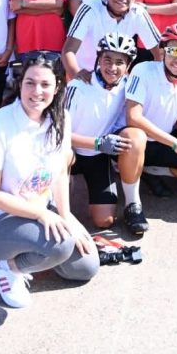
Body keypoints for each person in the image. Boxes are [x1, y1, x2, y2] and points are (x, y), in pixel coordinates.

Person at [0, 53, 98, 309]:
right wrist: (41, 214)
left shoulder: (61, 118)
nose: (37, 91)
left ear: (57, 87)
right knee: (60, 246)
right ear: (20, 84)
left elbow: (60, 172)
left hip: (36, 210)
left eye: (45, 84)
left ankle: (34, 250)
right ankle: (8, 268)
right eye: (30, 83)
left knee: (85, 267)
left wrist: (66, 217)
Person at [113, 24, 177, 233]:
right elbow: (133, 117)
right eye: (173, 50)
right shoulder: (143, 70)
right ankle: (132, 204)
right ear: (162, 51)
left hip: (162, 142)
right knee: (136, 137)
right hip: (130, 141)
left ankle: (150, 170)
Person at [66, 34, 136, 230]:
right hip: (70, 151)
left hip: (98, 156)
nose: (112, 67)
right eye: (107, 60)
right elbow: (59, 134)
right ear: (98, 59)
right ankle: (56, 203)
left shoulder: (128, 87)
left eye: (119, 62)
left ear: (128, 66)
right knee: (63, 156)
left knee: (104, 221)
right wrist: (97, 143)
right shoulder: (78, 86)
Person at [63, 0, 162, 81]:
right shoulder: (89, 9)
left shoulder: (138, 13)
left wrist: (158, 80)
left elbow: (160, 52)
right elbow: (68, 50)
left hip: (115, 75)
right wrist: (77, 75)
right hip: (85, 72)